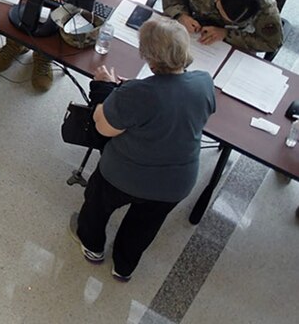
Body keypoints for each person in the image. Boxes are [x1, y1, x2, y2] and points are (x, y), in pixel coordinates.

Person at [71, 16, 216, 280]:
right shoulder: (204, 82)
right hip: (175, 184)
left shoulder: (136, 93)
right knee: (144, 226)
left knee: (97, 207)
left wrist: (105, 90)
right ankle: (123, 267)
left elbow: (104, 127)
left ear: (147, 56)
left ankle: (92, 246)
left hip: (123, 176)